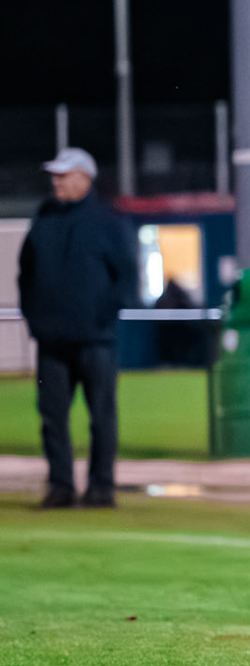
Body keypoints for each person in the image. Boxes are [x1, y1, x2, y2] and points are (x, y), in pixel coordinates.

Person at [18, 148, 138, 510]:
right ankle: (61, 486)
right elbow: (26, 272)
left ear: (84, 178)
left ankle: (101, 487)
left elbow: (127, 276)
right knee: (52, 417)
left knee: (101, 416)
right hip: (52, 340)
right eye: (54, 175)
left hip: (96, 340)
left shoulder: (107, 221)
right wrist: (34, 316)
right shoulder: (44, 217)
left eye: (63, 175)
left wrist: (102, 316)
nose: (56, 181)